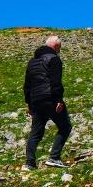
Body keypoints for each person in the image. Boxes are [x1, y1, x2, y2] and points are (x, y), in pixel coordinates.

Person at [23, 36, 72, 170]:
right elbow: (55, 82)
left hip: (36, 101)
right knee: (65, 126)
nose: (59, 51)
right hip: (50, 98)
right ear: (56, 46)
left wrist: (28, 103)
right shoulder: (54, 59)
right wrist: (59, 100)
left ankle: (29, 163)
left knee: (36, 132)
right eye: (59, 48)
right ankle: (54, 157)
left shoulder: (32, 61)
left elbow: (27, 85)